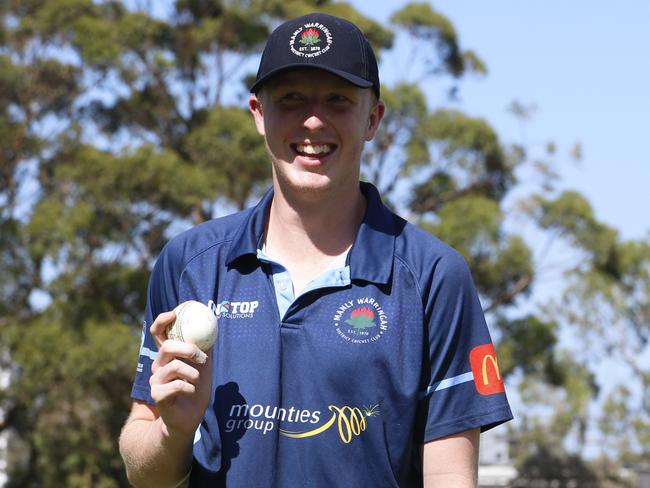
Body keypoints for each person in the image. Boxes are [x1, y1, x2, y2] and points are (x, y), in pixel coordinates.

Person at [119, 12, 513, 488]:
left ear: (373, 118)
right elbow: (145, 474)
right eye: (291, 99)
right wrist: (173, 431)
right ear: (258, 114)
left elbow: (450, 476)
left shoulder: (433, 275)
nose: (312, 119)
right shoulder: (189, 264)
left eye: (337, 100)